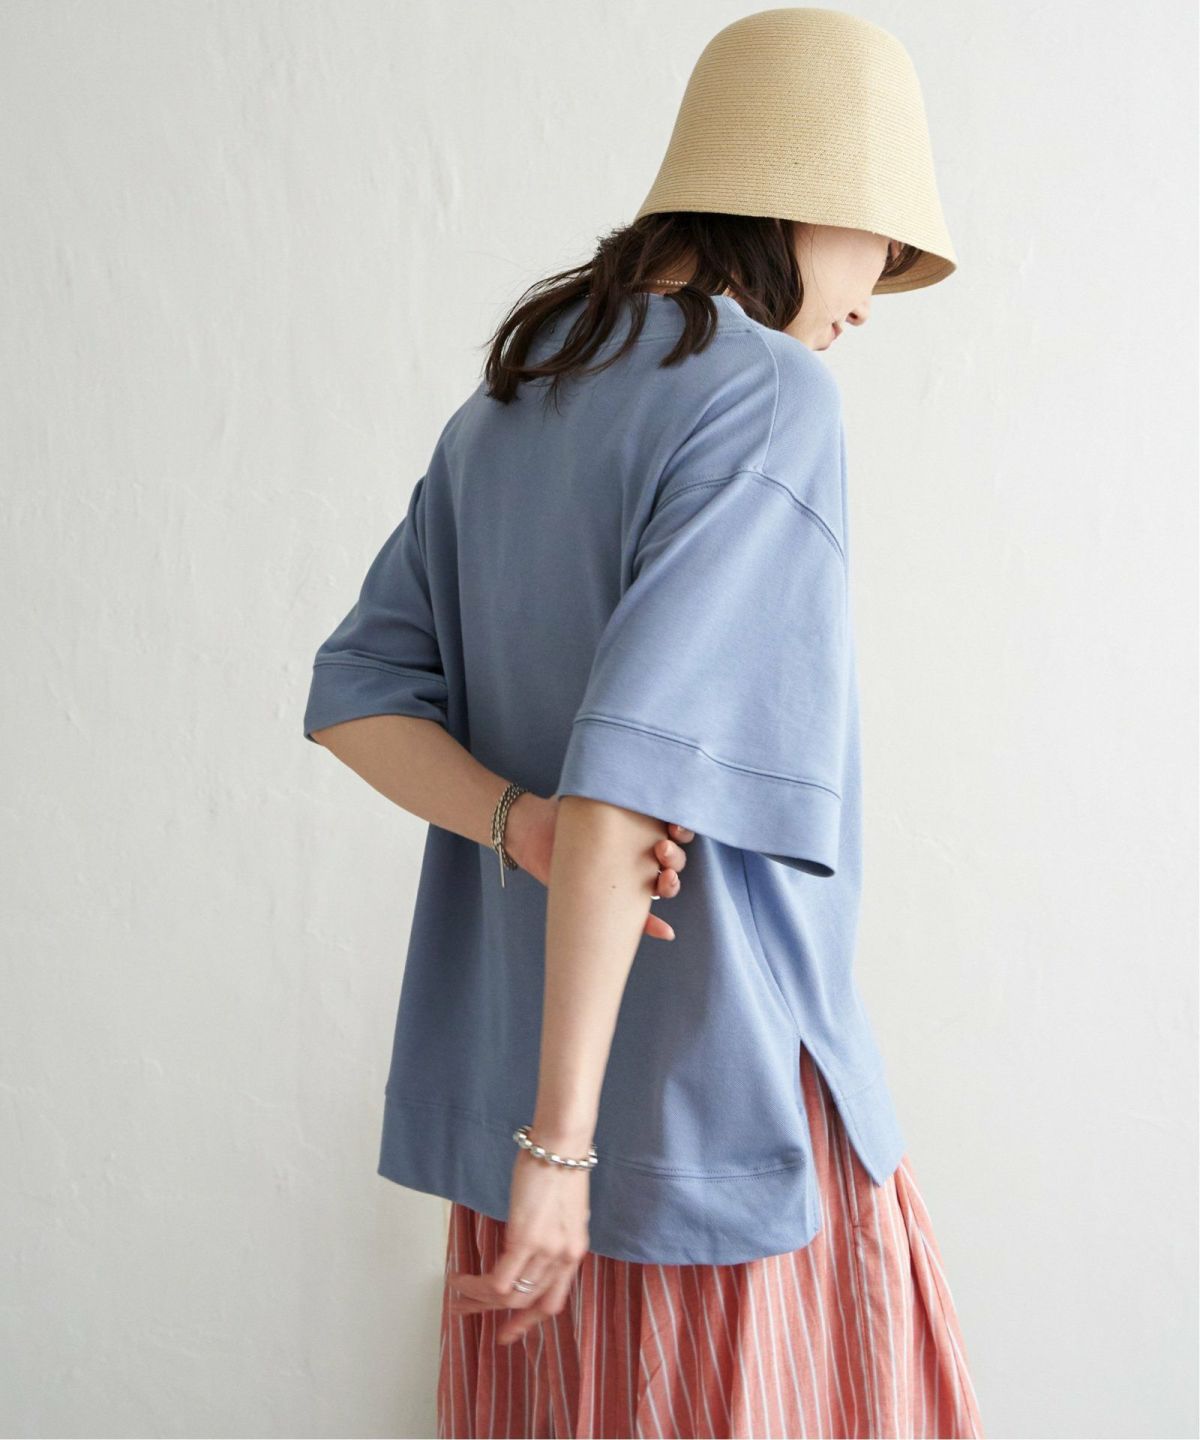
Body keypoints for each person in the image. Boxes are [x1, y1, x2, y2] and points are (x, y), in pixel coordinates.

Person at [303, 8, 985, 1436]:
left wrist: (518, 825)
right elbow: (630, 782)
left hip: (520, 1142)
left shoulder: (513, 401)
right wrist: (566, 1150)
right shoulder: (767, 395)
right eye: (879, 245)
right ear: (805, 200)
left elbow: (357, 695)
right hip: (701, 1132)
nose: (872, 297)